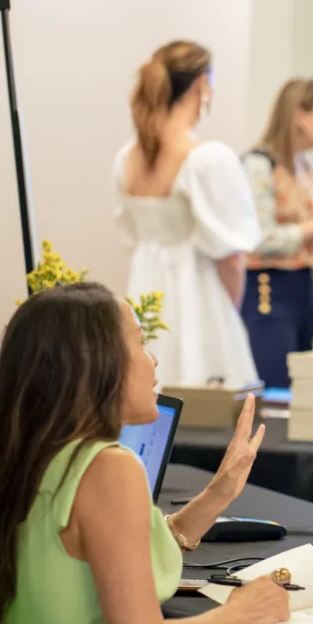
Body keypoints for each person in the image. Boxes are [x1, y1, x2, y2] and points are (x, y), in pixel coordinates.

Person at [0, 282, 290, 624]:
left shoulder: (31, 453)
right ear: (97, 364)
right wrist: (239, 612)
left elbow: (111, 554)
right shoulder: (109, 469)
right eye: (140, 343)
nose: (154, 359)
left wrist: (219, 492)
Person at [115, 40, 262, 389]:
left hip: (144, 297)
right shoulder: (207, 159)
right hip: (198, 303)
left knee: (146, 399)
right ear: (201, 85)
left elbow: (129, 236)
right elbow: (232, 257)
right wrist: (229, 320)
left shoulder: (127, 159)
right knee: (206, 407)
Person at [241, 78, 313, 388]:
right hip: (270, 291)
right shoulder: (259, 166)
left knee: (307, 388)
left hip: (304, 286)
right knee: (276, 387)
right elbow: (259, 239)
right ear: (301, 115)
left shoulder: (304, 167)